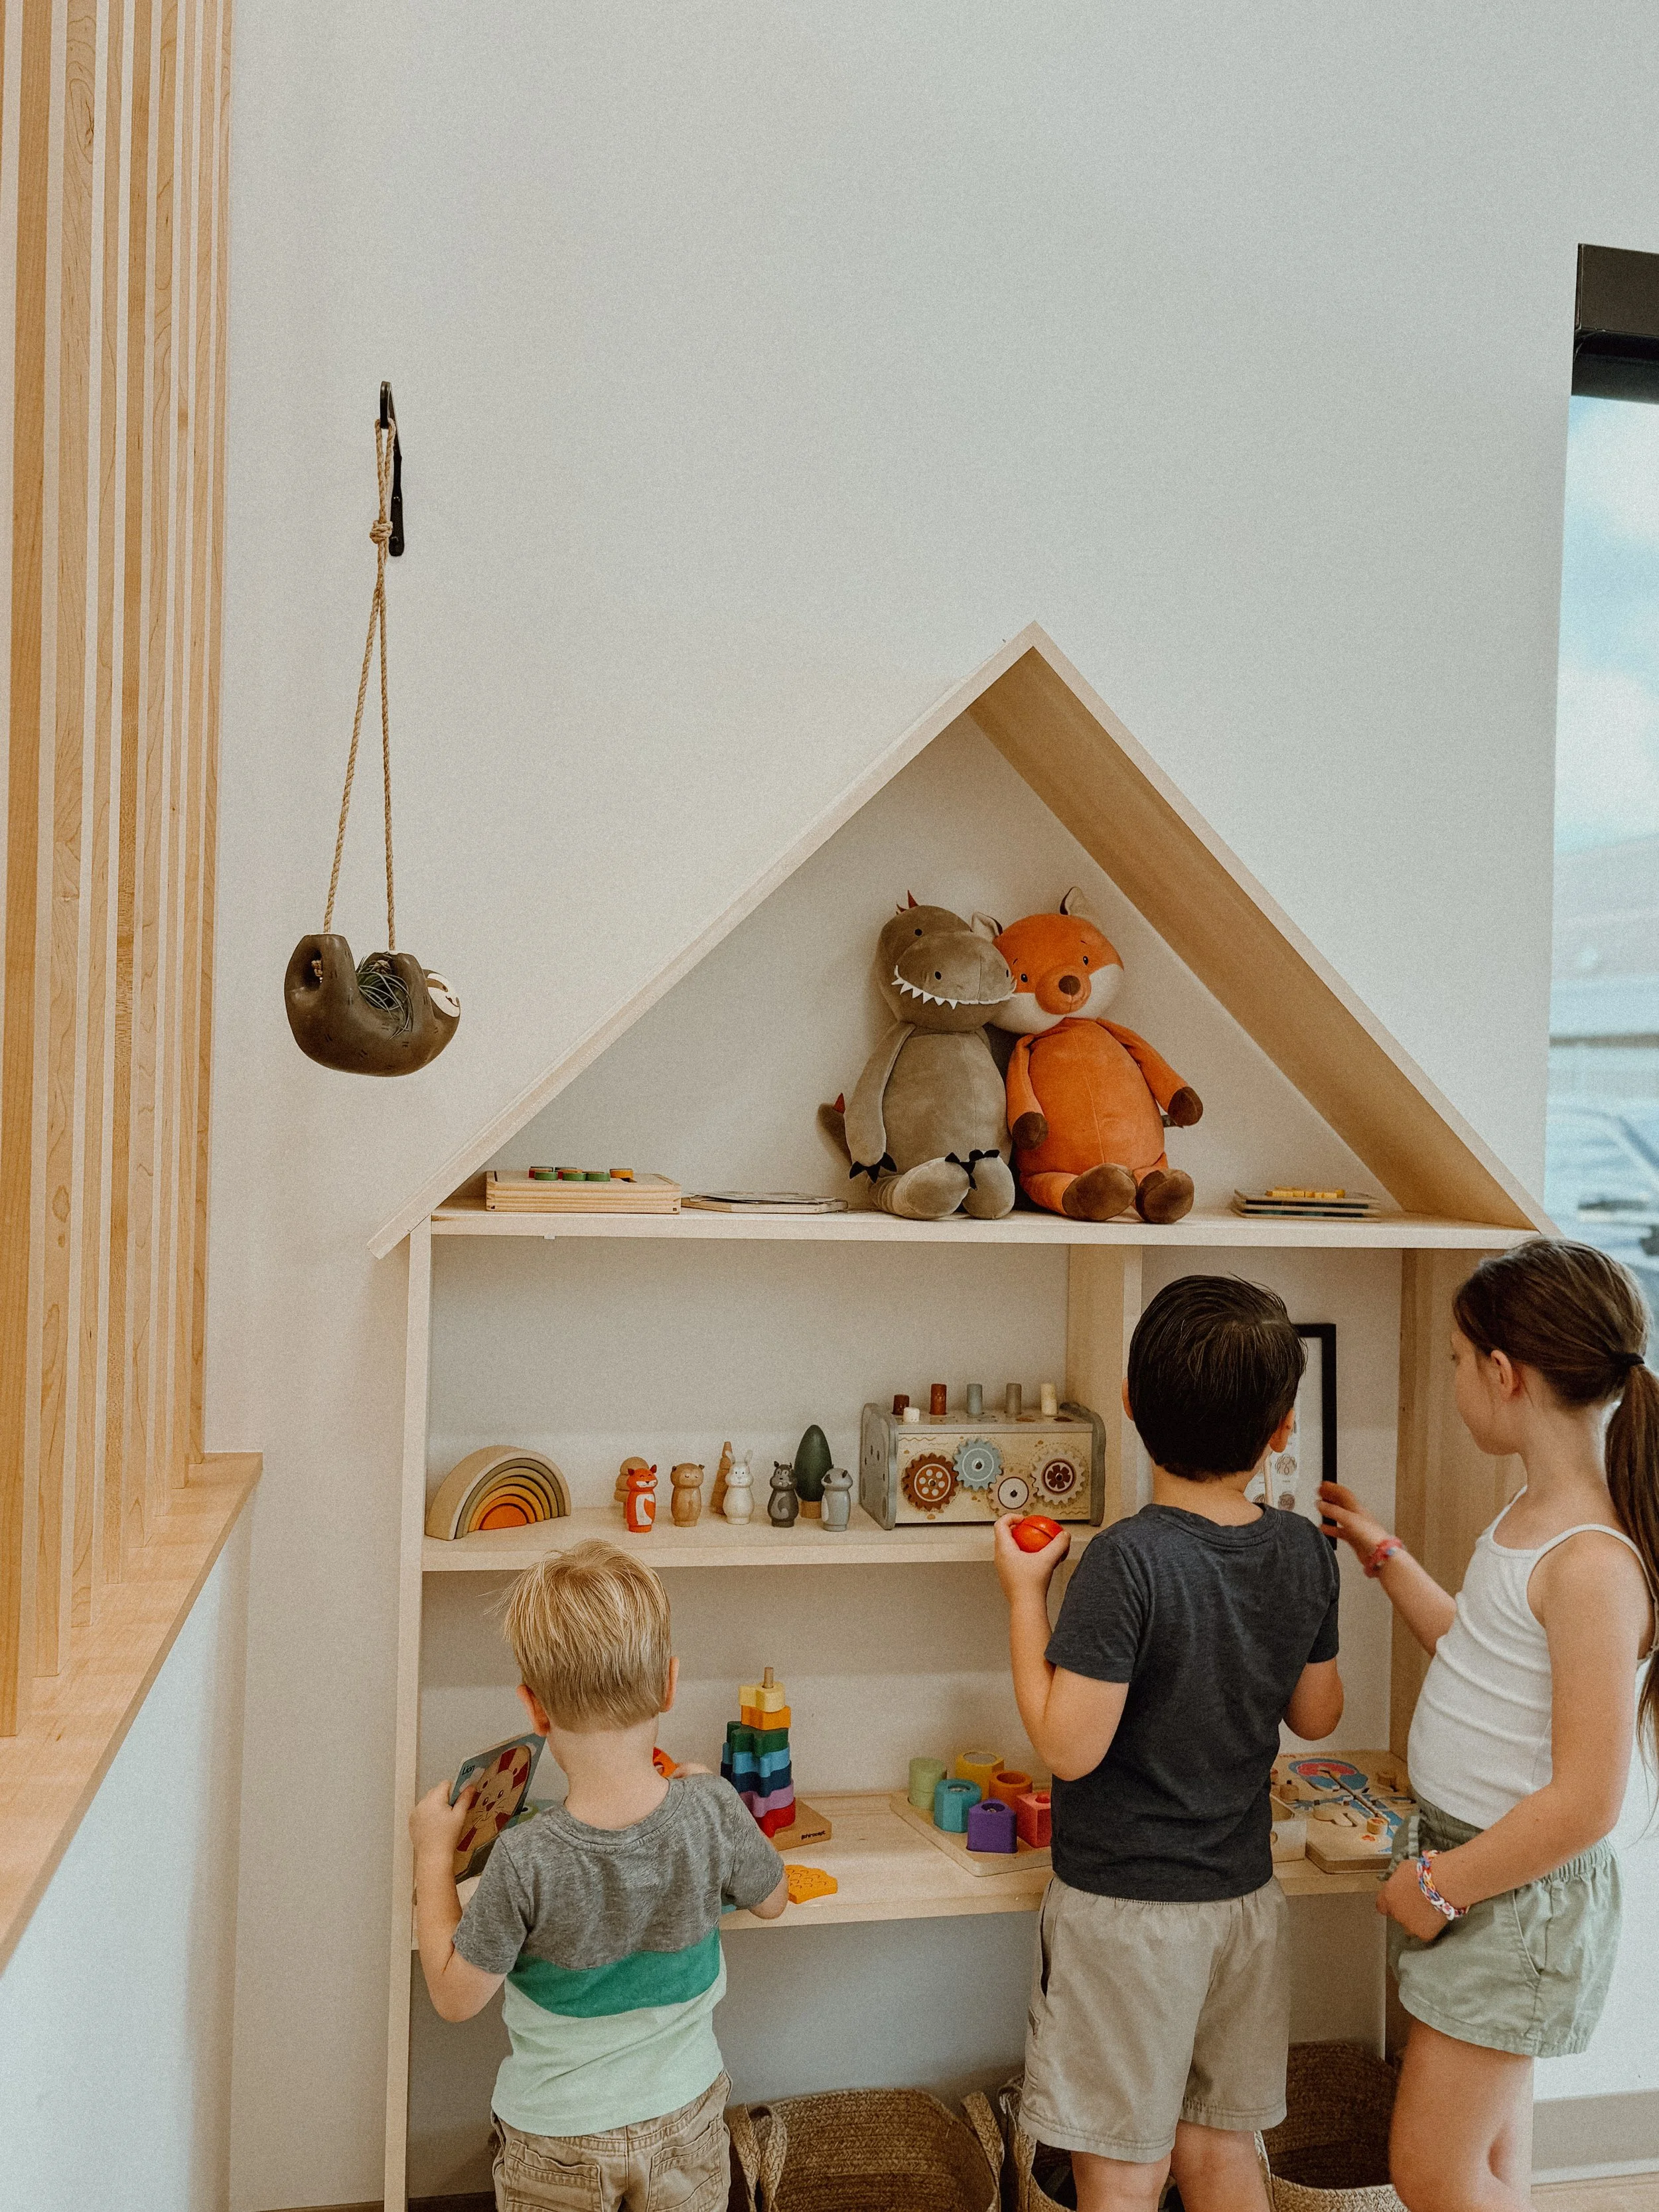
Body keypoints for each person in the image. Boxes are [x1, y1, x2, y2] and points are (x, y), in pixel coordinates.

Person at [996, 1275, 1345, 2212]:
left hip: (1128, 1917)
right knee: (1223, 2156)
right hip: (1243, 1906)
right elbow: (1318, 1715)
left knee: (1122, 2174)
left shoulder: (1127, 1559)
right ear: (1281, 1428)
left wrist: (1025, 1594)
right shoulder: (1307, 1550)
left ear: (1129, 1402)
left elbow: (1070, 1748)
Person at [1321, 1240, 1657, 2212]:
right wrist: (1386, 1555)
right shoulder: (1534, 1513)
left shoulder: (1591, 1561)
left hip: (1512, 1895)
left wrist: (1439, 1884)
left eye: (1459, 1360)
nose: (1456, 1376)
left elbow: (1589, 1800)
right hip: (1483, 1875)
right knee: (1491, 2164)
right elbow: (1477, 1648)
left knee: (1433, 2172)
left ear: (1505, 1375)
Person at [409, 1540, 789, 2212]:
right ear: (670, 1685)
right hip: (688, 2120)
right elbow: (774, 1902)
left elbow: (454, 1997)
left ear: (533, 1708)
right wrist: (711, 1796)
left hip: (559, 2138)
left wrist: (432, 1858)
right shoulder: (709, 1808)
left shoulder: (526, 1856)